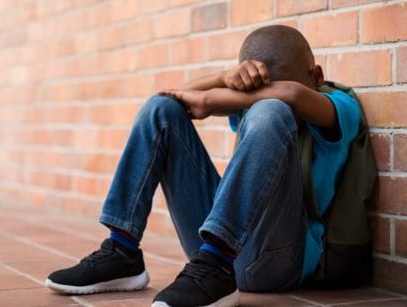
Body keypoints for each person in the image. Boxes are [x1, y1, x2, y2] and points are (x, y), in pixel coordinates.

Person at [45, 25, 361, 307]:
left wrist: (214, 101)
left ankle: (218, 267)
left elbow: (291, 95)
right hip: (209, 251)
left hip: (277, 261)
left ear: (316, 77)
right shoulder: (253, 102)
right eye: (256, 91)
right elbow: (178, 96)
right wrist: (224, 78)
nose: (261, 98)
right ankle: (122, 251)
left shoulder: (339, 107)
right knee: (161, 108)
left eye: (266, 91)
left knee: (271, 112)